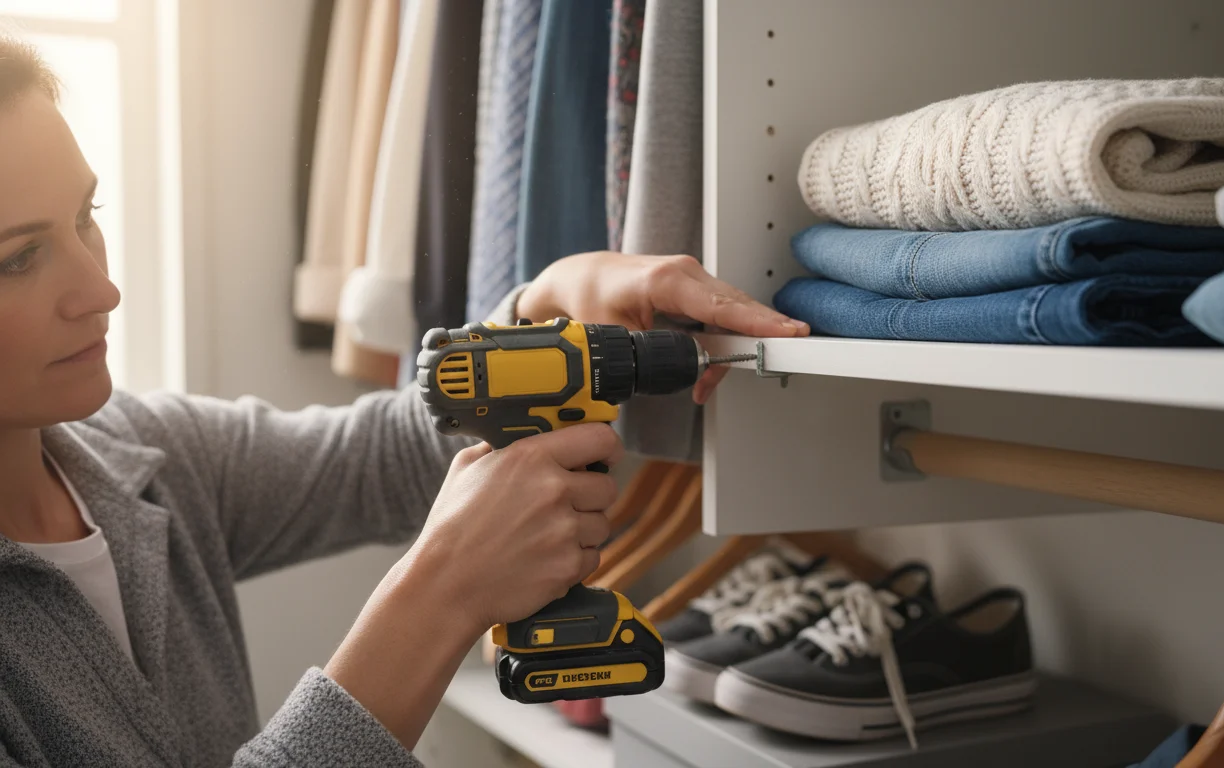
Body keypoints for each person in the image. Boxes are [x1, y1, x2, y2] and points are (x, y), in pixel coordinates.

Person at [0, 34, 809, 767]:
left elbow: (382, 458)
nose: (101, 290)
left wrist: (543, 310)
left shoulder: (139, 454)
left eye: (86, 217)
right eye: (19, 259)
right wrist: (441, 591)